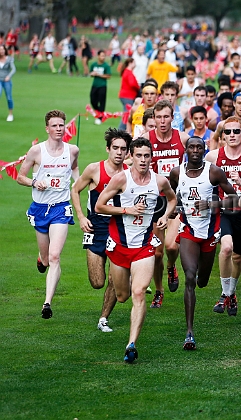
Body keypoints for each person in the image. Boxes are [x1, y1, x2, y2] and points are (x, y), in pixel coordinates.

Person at [95, 137, 177, 362]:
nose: (143, 160)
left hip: (144, 246)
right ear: (131, 156)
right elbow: (99, 205)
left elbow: (172, 199)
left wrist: (164, 216)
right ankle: (128, 281)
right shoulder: (121, 178)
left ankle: (131, 344)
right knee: (122, 296)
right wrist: (127, 210)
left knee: (139, 293)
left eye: (146, 155)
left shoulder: (159, 181)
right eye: (138, 155)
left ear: (152, 157)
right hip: (119, 245)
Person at [168, 137, 236, 349]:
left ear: (204, 150)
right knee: (190, 277)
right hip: (188, 230)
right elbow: (170, 196)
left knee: (202, 281)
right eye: (191, 147)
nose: (195, 151)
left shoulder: (214, 172)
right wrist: (173, 209)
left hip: (209, 232)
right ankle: (189, 332)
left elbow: (234, 198)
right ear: (186, 150)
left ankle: (202, 277)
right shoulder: (177, 173)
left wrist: (211, 203)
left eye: (199, 147)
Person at [17, 110, 80, 318]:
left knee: (55, 256)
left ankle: (47, 303)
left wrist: (77, 185)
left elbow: (75, 169)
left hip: (61, 207)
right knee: (46, 259)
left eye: (61, 125)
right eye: (54, 126)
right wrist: (35, 182)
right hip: (40, 208)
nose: (59, 129)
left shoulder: (72, 150)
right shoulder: (37, 151)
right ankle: (40, 259)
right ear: (47, 128)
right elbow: (20, 176)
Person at [71, 128, 131, 332]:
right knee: (97, 282)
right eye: (115, 148)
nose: (119, 152)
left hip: (118, 231)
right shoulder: (94, 170)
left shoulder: (130, 174)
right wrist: (80, 216)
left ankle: (103, 318)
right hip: (95, 228)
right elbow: (75, 190)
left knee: (115, 279)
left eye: (123, 149)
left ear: (127, 152)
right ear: (108, 149)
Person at [205, 117, 241, 315]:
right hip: (224, 211)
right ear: (222, 136)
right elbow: (206, 184)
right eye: (228, 132)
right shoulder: (213, 157)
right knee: (226, 248)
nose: (232, 135)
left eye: (236, 131)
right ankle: (225, 294)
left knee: (238, 257)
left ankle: (231, 292)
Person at [148, 100, 190, 307]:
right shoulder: (145, 140)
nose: (162, 121)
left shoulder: (182, 139)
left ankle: (172, 266)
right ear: (153, 118)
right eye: (159, 117)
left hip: (176, 199)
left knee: (172, 246)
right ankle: (158, 290)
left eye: (166, 116)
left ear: (172, 118)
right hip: (154, 200)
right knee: (157, 252)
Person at [89, 51, 112, 125]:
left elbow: (108, 76)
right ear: (98, 56)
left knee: (102, 102)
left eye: (104, 56)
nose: (103, 57)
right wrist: (92, 74)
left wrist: (98, 74)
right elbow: (91, 73)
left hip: (102, 85)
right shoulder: (94, 65)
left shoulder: (106, 66)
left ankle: (100, 117)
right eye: (102, 56)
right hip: (94, 85)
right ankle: (99, 112)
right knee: (93, 100)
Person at [118, 58, 139, 131]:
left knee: (127, 113)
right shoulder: (129, 72)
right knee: (127, 114)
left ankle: (123, 129)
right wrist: (138, 87)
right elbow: (132, 83)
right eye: (134, 62)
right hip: (128, 96)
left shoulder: (126, 71)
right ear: (130, 63)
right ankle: (121, 130)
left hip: (125, 95)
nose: (135, 64)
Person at [0, 45, 15, 121]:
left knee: (9, 98)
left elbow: (13, 69)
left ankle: (10, 114)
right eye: (0, 50)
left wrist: (9, 76)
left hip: (6, 81)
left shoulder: (9, 59)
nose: (1, 51)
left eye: (2, 49)